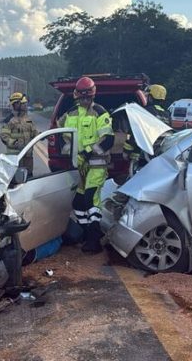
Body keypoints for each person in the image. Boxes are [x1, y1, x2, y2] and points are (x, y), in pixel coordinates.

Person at [57, 77, 114, 254]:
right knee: (78, 203)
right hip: (78, 166)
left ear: (93, 95)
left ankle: (94, 240)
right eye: (82, 97)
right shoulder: (70, 113)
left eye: (87, 97)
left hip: (96, 165)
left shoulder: (100, 112)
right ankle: (85, 234)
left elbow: (108, 140)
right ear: (76, 96)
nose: (85, 100)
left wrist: (87, 152)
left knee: (91, 199)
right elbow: (61, 134)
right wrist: (71, 153)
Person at [0, 92, 39, 175]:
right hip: (15, 158)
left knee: (29, 180)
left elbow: (33, 132)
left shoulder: (27, 119)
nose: (25, 105)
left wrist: (40, 135)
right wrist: (15, 143)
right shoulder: (9, 120)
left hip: (28, 157)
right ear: (16, 104)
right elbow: (4, 136)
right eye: (23, 103)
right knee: (16, 180)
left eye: (25, 103)